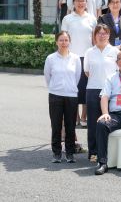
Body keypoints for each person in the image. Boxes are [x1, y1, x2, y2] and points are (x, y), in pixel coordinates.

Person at [44, 31, 83, 164]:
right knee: (56, 125)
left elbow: (77, 76)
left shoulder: (75, 58)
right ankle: (56, 153)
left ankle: (70, 153)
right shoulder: (51, 58)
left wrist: (70, 87)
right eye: (61, 40)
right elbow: (48, 77)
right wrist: (55, 87)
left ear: (69, 42)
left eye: (66, 40)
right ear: (56, 42)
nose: (64, 43)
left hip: (71, 95)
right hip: (55, 95)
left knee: (70, 125)